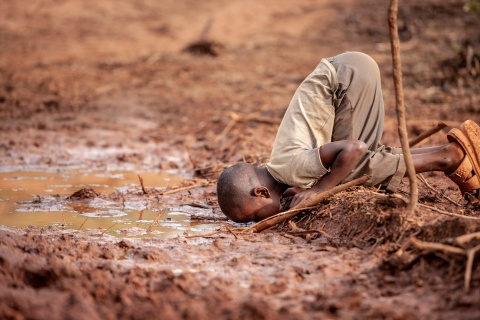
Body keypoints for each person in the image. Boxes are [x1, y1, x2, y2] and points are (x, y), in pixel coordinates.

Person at [216, 51, 480, 223]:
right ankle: (457, 151)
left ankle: (450, 158)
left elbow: (354, 148)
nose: (257, 222)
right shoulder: (284, 168)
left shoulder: (291, 169)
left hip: (345, 80)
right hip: (349, 70)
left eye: (253, 217)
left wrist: (320, 189)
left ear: (261, 192)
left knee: (352, 169)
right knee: (356, 164)